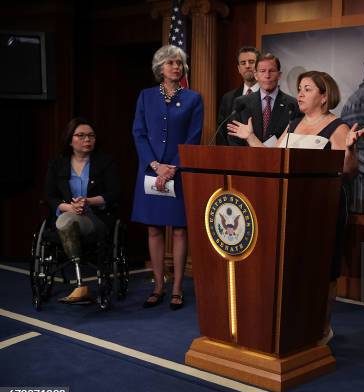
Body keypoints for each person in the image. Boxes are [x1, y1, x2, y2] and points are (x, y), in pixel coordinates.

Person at [228, 70, 364, 343]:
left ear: (324, 97)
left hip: (323, 211)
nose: (300, 94)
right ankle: (298, 324)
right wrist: (251, 137)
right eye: (300, 88)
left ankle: (322, 329)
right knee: (296, 269)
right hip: (292, 211)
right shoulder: (293, 125)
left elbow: (348, 170)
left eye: (307, 89)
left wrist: (350, 150)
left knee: (323, 270)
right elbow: (275, 160)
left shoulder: (337, 127)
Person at [132, 44, 204, 310]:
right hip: (150, 170)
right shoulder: (146, 96)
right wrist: (155, 165)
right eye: (171, 62)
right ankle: (158, 286)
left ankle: (177, 289)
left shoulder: (193, 98)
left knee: (180, 230)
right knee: (153, 228)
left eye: (179, 63)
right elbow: (138, 133)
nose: (176, 67)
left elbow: (192, 138)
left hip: (179, 171)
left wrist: (172, 167)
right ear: (159, 67)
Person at [44, 117, 120, 303]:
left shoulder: (105, 162)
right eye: (81, 135)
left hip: (96, 218)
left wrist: (87, 201)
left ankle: (80, 285)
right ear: (70, 140)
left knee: (66, 221)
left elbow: (114, 194)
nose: (87, 140)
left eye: (91, 136)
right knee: (66, 219)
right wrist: (69, 206)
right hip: (67, 215)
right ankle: (80, 285)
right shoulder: (57, 164)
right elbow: (50, 196)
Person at [226, 53, 301, 146]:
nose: (267, 75)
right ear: (256, 75)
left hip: (280, 158)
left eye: (272, 71)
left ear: (279, 75)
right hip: (248, 158)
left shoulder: (292, 104)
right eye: (262, 71)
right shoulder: (241, 103)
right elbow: (234, 138)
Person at [216, 46, 260, 145]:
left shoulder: (268, 96)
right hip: (234, 156)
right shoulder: (228, 98)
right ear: (239, 69)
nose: (247, 66)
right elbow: (222, 132)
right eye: (243, 63)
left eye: (251, 62)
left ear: (259, 66)